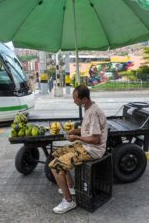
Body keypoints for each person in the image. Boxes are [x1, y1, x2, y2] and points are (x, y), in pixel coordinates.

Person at [48, 85, 108, 214]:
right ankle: (70, 187)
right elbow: (88, 130)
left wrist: (76, 138)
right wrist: (75, 131)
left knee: (55, 166)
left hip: (93, 150)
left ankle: (68, 201)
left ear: (84, 99)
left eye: (75, 99)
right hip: (86, 146)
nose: (74, 101)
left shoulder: (93, 112)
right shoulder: (89, 108)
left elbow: (96, 139)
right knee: (55, 154)